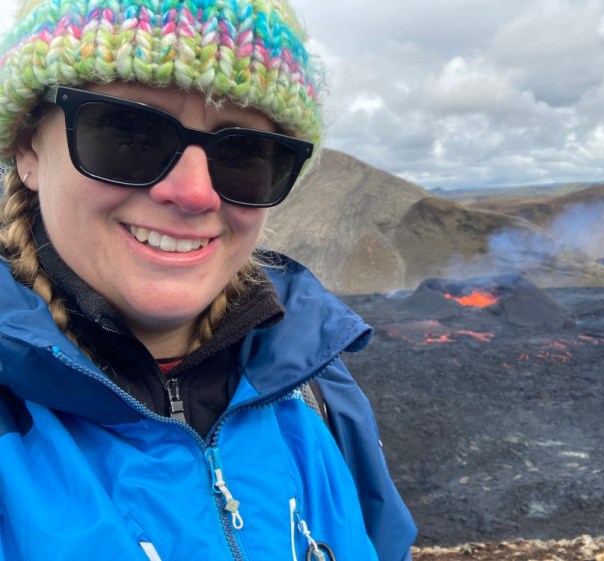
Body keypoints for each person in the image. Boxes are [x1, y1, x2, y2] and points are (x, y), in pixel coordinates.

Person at [0, 0, 417, 559]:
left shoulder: (319, 392)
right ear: (28, 148)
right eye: (129, 132)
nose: (195, 193)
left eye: (244, 152)